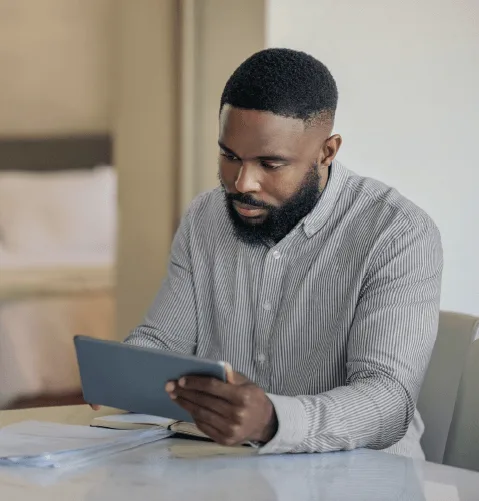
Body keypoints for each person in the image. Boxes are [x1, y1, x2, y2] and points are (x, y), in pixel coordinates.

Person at [125, 48, 443, 458]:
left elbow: (387, 402)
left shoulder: (397, 233)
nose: (243, 183)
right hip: (231, 472)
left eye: (270, 164)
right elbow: (162, 340)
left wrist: (273, 420)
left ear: (327, 152)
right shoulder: (205, 217)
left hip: (364, 480)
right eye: (229, 156)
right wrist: (124, 374)